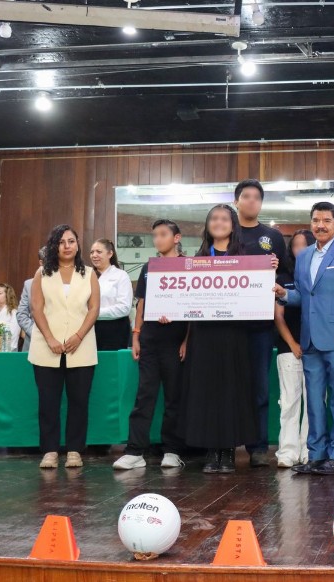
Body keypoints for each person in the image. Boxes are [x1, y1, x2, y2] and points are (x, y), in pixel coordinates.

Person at [274, 201, 334, 476]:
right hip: (310, 339)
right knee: (314, 402)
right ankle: (316, 455)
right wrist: (284, 295)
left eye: (326, 220)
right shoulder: (304, 256)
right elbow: (304, 295)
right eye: (316, 220)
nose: (320, 225)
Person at [182, 205, 258, 474]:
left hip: (233, 334)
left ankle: (227, 451)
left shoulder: (245, 257)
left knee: (230, 390)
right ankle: (210, 451)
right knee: (206, 392)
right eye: (214, 218)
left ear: (233, 224)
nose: (219, 222)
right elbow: (185, 300)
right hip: (204, 334)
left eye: (224, 218)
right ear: (207, 225)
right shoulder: (196, 258)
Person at [113, 219, 188, 471]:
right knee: (144, 395)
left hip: (175, 340)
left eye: (163, 234)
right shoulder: (149, 267)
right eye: (155, 235)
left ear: (176, 238)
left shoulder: (188, 267)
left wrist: (187, 340)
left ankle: (172, 450)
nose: (158, 239)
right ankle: (135, 451)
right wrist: (136, 335)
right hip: (150, 338)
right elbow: (142, 303)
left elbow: (195, 306)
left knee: (174, 397)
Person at [28, 225, 100, 469]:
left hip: (81, 347)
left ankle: (74, 451)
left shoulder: (89, 273)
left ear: (78, 244)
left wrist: (79, 336)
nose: (67, 246)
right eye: (61, 242)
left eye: (71, 241)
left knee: (79, 402)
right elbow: (36, 308)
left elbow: (94, 309)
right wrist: (49, 338)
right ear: (54, 246)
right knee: (48, 402)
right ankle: (49, 451)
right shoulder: (42, 273)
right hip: (46, 347)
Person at [234, 178, 284, 467]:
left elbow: (286, 275)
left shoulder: (272, 237)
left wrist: (278, 281)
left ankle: (259, 447)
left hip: (260, 326)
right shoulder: (225, 231)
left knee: (259, 389)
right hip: (226, 325)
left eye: (256, 197)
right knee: (228, 385)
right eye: (246, 196)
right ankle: (225, 444)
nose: (251, 201)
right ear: (237, 201)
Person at [273, 229, 314, 469]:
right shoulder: (284, 277)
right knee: (289, 402)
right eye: (295, 245)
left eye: (304, 245)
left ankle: (309, 449)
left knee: (314, 403)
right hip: (289, 348)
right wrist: (292, 344)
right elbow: (278, 316)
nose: (299, 250)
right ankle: (287, 452)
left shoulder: (317, 277)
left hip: (316, 349)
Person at [89, 239, 133, 351]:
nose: (94, 255)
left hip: (115, 330)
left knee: (110, 365)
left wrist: (95, 313)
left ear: (110, 253)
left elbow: (125, 307)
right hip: (89, 329)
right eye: (92, 252)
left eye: (99, 252)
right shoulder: (87, 275)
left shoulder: (121, 275)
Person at [17, 247, 46, 352]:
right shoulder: (29, 284)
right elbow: (21, 314)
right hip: (33, 344)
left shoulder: (64, 283)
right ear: (41, 263)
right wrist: (34, 332)